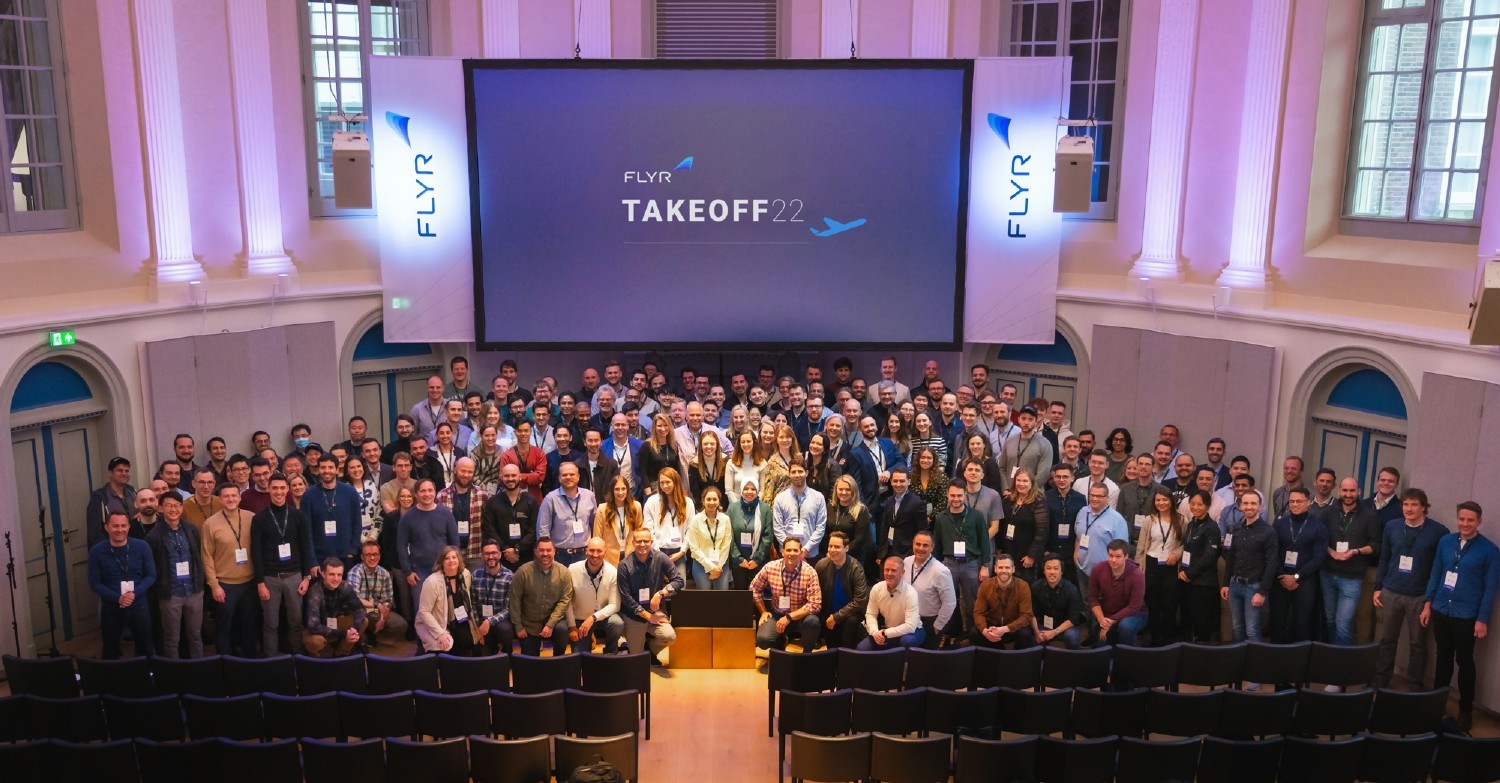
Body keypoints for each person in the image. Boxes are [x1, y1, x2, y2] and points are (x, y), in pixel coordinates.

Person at [1421, 501, 1498, 732]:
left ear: (1479, 522)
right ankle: (1437, 704)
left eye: (1470, 520)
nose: (1465, 524)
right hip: (1442, 609)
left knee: (1464, 662)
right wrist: (1428, 604)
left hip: (1467, 615)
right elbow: (1436, 573)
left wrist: (1482, 618)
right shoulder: (1445, 542)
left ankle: (1465, 710)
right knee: (1443, 657)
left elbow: (1490, 588)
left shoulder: (1490, 550)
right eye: (1461, 519)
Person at [1373, 488, 1448, 691]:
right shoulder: (1392, 526)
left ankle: (1414, 686)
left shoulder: (1439, 532)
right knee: (1387, 640)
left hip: (1420, 596)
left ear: (1424, 507)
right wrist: (1378, 586)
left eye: (1414, 504)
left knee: (1418, 645)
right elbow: (1384, 558)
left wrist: (1429, 599)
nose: (1409, 508)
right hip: (1391, 591)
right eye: (1406, 504)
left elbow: (1438, 568)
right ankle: (1380, 683)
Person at [250, 472, 313, 655]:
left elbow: (306, 546)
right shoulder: (259, 519)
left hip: (295, 577)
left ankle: (297, 658)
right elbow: (256, 553)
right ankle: (271, 662)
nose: (278, 492)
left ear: (288, 490)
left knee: (296, 622)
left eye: (282, 488)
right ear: (269, 489)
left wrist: (307, 577)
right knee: (270, 623)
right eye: (275, 488)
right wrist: (260, 582)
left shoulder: (297, 516)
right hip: (270, 579)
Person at [1321, 477, 1383, 647]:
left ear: (1359, 491)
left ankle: (1343, 662)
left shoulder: (1370, 516)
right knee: (1330, 620)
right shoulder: (1328, 513)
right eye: (1345, 491)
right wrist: (1331, 551)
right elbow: (1319, 540)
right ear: (1339, 491)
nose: (1348, 494)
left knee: (1343, 624)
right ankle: (1332, 654)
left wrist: (1355, 551)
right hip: (1327, 574)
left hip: (1352, 578)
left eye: (1352, 491)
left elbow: (1375, 546)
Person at [202, 483, 260, 656]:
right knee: (224, 627)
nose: (230, 499)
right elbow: (206, 556)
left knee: (249, 625)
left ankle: (250, 661)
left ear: (240, 497)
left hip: (250, 582)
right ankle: (225, 661)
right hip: (225, 585)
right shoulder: (210, 524)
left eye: (234, 495)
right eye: (226, 496)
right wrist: (214, 585)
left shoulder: (251, 518)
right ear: (220, 499)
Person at [88, 512, 156, 659]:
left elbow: (151, 576)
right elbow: (95, 584)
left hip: (139, 605)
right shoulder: (96, 552)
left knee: (146, 648)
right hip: (111, 607)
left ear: (129, 527)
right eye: (115, 526)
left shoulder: (142, 547)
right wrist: (118, 598)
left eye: (123, 525)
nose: (120, 530)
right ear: (107, 527)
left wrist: (134, 594)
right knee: (110, 650)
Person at [146, 494, 205, 659]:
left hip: (194, 591)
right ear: (161, 508)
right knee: (172, 638)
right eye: (169, 506)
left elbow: (198, 557)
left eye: (177, 505)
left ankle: (199, 668)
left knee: (195, 634)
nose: (173, 509)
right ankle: (174, 674)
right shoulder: (153, 536)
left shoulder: (191, 529)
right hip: (171, 594)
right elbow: (152, 566)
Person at [615, 529, 684, 665]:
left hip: (656, 612)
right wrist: (648, 616)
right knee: (638, 661)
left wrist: (661, 594)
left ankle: (650, 647)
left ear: (651, 542)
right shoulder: (624, 565)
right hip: (634, 615)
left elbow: (679, 581)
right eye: (638, 541)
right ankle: (636, 647)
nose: (642, 544)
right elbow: (626, 597)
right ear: (633, 543)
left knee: (669, 637)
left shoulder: (661, 558)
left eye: (646, 541)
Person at [1269, 488, 1328, 645]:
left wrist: (1296, 577)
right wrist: (1282, 576)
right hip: (1280, 579)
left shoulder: (1318, 526)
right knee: (1278, 621)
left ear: (1308, 503)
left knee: (1302, 623)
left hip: (1305, 581)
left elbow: (1318, 558)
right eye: (1292, 501)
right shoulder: (1279, 524)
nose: (1294, 504)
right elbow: (1272, 553)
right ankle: (1275, 657)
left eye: (1299, 501)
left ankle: (1300, 662)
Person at [1220, 491, 1277, 649]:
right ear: (1240, 506)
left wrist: (1262, 592)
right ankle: (1239, 663)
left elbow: (1271, 563)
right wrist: (1226, 584)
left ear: (1260, 506)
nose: (1249, 507)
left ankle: (1256, 667)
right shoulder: (1236, 528)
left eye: (1253, 503)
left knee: (1252, 630)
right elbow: (1230, 557)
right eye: (1245, 503)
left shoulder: (1268, 532)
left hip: (1254, 587)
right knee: (1237, 628)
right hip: (1235, 585)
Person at [751, 537, 822, 653]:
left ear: (801, 552)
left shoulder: (810, 572)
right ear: (782, 551)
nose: (792, 554)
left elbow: (815, 604)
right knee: (763, 640)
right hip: (777, 615)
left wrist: (789, 617)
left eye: (795, 550)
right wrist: (763, 611)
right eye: (788, 550)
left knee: (813, 622)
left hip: (800, 617)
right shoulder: (770, 567)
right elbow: (754, 588)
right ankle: (780, 642)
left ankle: (807, 654)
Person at [1134, 486, 1184, 646]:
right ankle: (1155, 637)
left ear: (1171, 501)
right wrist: (1138, 567)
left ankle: (1168, 637)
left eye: (1164, 499)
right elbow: (1141, 546)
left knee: (1169, 603)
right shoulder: (1150, 520)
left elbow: (1185, 544)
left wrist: (1176, 554)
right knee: (1152, 603)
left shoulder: (1182, 520)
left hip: (1170, 565)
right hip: (1151, 564)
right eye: (1158, 500)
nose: (1161, 503)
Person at [509, 537, 574, 656]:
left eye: (548, 550)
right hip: (529, 624)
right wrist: (518, 626)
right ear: (535, 552)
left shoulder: (564, 573)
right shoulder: (522, 572)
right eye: (541, 550)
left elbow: (565, 601)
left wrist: (550, 624)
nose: (545, 554)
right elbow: (514, 600)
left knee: (562, 631)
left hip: (554, 622)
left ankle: (558, 663)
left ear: (554, 551)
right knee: (530, 662)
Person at [397, 479, 460, 593]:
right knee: (422, 609)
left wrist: (453, 567)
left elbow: (455, 544)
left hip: (443, 568)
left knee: (445, 608)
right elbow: (401, 545)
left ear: (435, 492)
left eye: (430, 490)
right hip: (419, 571)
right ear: (416, 494)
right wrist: (408, 571)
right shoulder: (407, 517)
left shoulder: (446, 514)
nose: (427, 494)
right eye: (423, 491)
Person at [417, 546, 482, 656]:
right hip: (439, 623)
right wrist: (439, 634)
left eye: (454, 557)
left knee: (470, 643)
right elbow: (424, 612)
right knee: (445, 647)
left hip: (461, 620)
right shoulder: (432, 582)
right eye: (447, 558)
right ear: (442, 561)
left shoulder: (465, 575)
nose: (451, 561)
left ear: (459, 559)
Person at [1177, 490, 1223, 644]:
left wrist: (1190, 574)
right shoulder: (1191, 524)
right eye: (1192, 503)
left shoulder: (1212, 528)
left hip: (1203, 583)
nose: (1195, 507)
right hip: (1187, 580)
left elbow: (1209, 556)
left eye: (1199, 504)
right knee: (1187, 619)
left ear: (1208, 506)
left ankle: (1201, 656)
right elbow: (1186, 550)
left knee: (1201, 622)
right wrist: (1182, 571)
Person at [302, 455, 361, 569]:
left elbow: (357, 523)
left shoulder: (350, 492)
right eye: (323, 467)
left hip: (345, 556)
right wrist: (312, 561)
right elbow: (306, 530)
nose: (327, 471)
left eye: (330, 467)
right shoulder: (309, 495)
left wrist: (352, 551)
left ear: (337, 469)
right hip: (319, 558)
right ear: (319, 470)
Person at [566, 537, 623, 653]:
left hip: (603, 617)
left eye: (599, 551)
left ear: (605, 553)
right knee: (580, 659)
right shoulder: (572, 569)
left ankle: (610, 652)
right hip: (580, 619)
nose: (595, 555)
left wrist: (593, 618)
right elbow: (567, 601)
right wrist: (572, 626)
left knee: (617, 623)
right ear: (586, 551)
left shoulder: (613, 572)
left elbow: (615, 605)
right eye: (592, 550)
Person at [302, 557, 367, 657]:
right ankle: (314, 658)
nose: (336, 578)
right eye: (332, 574)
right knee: (315, 641)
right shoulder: (315, 591)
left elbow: (360, 609)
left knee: (363, 621)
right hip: (317, 629)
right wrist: (345, 633)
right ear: (323, 574)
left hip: (335, 624)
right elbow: (313, 626)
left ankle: (341, 653)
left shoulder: (345, 586)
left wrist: (354, 629)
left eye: (339, 575)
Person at [348, 540, 409, 648]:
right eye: (368, 555)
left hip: (378, 611)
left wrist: (382, 619)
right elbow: (354, 599)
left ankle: (374, 637)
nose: (372, 558)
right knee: (366, 618)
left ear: (380, 556)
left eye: (375, 554)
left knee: (401, 625)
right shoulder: (355, 572)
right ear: (362, 557)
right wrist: (377, 604)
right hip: (359, 610)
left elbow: (388, 600)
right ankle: (363, 636)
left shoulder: (385, 574)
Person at [815, 531, 869, 648]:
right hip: (829, 612)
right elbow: (816, 593)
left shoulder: (856, 568)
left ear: (846, 548)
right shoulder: (821, 565)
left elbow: (860, 601)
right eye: (830, 546)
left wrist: (837, 617)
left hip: (850, 614)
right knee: (832, 648)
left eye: (837, 547)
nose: (832, 550)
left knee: (851, 624)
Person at [857, 556, 924, 650]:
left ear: (902, 573)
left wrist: (885, 633)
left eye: (893, 570)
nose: (889, 573)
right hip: (887, 631)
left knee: (907, 641)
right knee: (862, 648)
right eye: (886, 570)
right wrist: (875, 632)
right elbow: (871, 614)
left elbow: (910, 626)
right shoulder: (877, 588)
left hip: (912, 631)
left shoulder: (911, 593)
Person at [903, 531, 957, 649]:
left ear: (932, 547)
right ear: (913, 544)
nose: (920, 548)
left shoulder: (941, 571)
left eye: (925, 545)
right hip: (908, 618)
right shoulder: (906, 562)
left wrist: (938, 625)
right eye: (918, 544)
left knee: (926, 660)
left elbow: (950, 602)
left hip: (929, 623)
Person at [1088, 540, 1147, 646]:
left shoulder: (1137, 575)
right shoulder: (1097, 569)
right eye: (1111, 555)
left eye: (1118, 556)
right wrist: (1102, 621)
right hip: (1109, 614)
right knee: (1100, 646)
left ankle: (1128, 657)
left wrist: (1110, 621)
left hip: (1135, 614)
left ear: (1126, 556)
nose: (1113, 560)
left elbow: (1134, 607)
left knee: (1125, 626)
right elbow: (1092, 599)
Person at [482, 464, 539, 567]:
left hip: (525, 555)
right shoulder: (492, 502)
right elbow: (489, 528)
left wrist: (518, 549)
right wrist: (505, 549)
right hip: (501, 556)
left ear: (520, 476)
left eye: (513, 475)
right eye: (507, 476)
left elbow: (534, 529)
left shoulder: (531, 501)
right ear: (501, 477)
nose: (510, 479)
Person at [773, 461, 827, 561]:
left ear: (806, 473)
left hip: (810, 554)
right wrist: (791, 550)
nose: (797, 475)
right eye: (793, 472)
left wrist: (806, 549)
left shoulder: (818, 498)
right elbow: (777, 528)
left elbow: (821, 527)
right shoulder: (780, 498)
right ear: (789, 474)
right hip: (787, 554)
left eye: (800, 471)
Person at [1031, 553, 1086, 649]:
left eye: (1056, 568)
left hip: (1065, 626)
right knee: (1032, 636)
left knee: (1071, 637)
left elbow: (1074, 619)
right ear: (1044, 571)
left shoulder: (1071, 589)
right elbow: (1032, 613)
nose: (1052, 572)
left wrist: (1054, 632)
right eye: (1048, 568)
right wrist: (1036, 632)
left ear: (1061, 571)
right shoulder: (1035, 587)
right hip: (1043, 624)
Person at [470, 541, 516, 655]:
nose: (491, 557)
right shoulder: (476, 575)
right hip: (482, 623)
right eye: (487, 554)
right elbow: (473, 603)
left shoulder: (510, 576)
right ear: (482, 556)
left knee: (505, 631)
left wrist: (490, 621)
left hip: (501, 621)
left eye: (494, 553)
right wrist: (476, 626)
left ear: (500, 555)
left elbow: (508, 609)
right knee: (483, 659)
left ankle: (507, 652)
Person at [999, 467, 1046, 581]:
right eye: (1018, 480)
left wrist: (1031, 555)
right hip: (1008, 551)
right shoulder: (1008, 500)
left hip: (1025, 555)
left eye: (1025, 481)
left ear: (1032, 483)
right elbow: (1002, 525)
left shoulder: (1038, 502)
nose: (1021, 484)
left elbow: (1042, 531)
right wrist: (999, 548)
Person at [729, 480, 775, 591]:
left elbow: (767, 537)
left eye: (753, 489)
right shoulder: (732, 509)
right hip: (738, 563)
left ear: (757, 490)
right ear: (741, 490)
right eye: (746, 488)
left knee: (756, 594)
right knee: (740, 595)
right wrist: (739, 559)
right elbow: (728, 536)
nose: (749, 491)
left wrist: (757, 559)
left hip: (758, 562)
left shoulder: (765, 509)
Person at [686, 485, 733, 589]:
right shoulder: (695, 520)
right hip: (700, 564)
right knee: (705, 599)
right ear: (703, 501)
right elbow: (694, 548)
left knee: (721, 598)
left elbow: (726, 545)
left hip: (721, 564)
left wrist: (718, 567)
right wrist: (711, 567)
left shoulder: (725, 519)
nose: (711, 502)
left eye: (714, 499)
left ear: (719, 501)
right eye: (708, 499)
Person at [594, 475, 643, 566]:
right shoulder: (602, 509)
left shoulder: (636, 507)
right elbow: (597, 536)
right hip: (609, 558)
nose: (620, 492)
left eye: (623, 489)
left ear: (628, 490)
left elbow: (640, 533)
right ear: (612, 491)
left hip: (631, 556)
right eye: (617, 489)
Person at [824, 474, 871, 567]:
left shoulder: (861, 510)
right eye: (840, 489)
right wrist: (830, 551)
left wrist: (841, 553)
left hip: (852, 558)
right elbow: (825, 532)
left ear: (853, 491)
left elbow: (859, 540)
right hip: (830, 556)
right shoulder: (830, 507)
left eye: (848, 489)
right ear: (836, 490)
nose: (844, 492)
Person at [878, 467, 925, 561]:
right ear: (891, 482)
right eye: (895, 481)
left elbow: (922, 531)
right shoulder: (889, 501)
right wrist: (881, 552)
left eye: (902, 481)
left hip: (906, 554)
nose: (898, 484)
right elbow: (884, 527)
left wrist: (913, 553)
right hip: (888, 551)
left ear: (909, 482)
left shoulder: (917, 503)